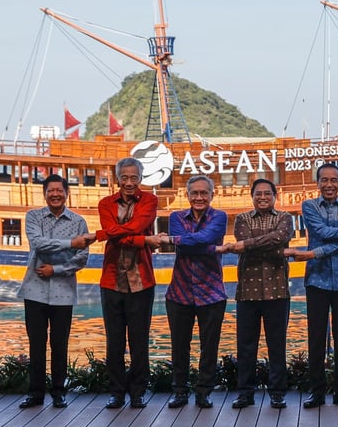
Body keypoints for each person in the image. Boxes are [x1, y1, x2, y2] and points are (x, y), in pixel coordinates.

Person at [291, 163, 338, 409]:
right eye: (324, 180)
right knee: (316, 337)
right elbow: (320, 230)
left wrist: (315, 252)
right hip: (317, 279)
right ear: (317, 183)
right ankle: (316, 392)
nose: (329, 184)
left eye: (333, 180)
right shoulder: (309, 206)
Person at [17, 174, 91, 409]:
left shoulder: (79, 221)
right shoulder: (33, 216)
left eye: (59, 190)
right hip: (34, 290)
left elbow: (82, 258)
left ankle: (59, 392)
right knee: (36, 344)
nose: (55, 194)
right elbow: (38, 244)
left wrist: (56, 269)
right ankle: (35, 393)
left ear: (67, 193)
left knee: (60, 344)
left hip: (64, 291)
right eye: (51, 191)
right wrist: (71, 244)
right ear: (45, 194)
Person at [221, 178, 294, 410]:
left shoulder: (285, 217)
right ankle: (245, 393)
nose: (263, 197)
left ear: (275, 195)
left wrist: (250, 245)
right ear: (251, 196)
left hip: (278, 291)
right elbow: (244, 240)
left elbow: (281, 236)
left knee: (277, 345)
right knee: (245, 345)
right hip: (247, 292)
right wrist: (274, 248)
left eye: (267, 193)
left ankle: (277, 393)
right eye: (258, 194)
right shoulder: (242, 219)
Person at [96, 157, 160, 410]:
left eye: (134, 177)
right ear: (118, 179)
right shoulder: (105, 203)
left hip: (141, 280)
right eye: (125, 177)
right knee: (114, 340)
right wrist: (144, 241)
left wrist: (101, 235)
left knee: (139, 339)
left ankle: (138, 392)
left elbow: (138, 225)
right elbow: (126, 237)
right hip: (111, 280)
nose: (130, 182)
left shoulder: (150, 201)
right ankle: (116, 392)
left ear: (140, 179)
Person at [163, 175, 228, 410]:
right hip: (179, 292)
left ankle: (204, 392)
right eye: (195, 193)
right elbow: (190, 245)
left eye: (204, 193)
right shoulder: (175, 216)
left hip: (211, 292)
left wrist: (177, 240)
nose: (199, 197)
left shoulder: (220, 216)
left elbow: (200, 239)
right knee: (179, 345)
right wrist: (212, 248)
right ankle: (179, 391)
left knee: (209, 347)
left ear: (212, 195)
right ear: (187, 195)